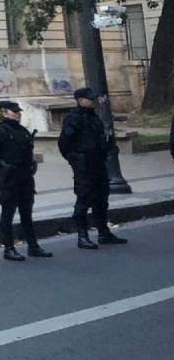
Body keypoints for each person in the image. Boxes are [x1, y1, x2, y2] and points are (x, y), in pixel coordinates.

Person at [59, 87, 127, 248]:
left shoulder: (94, 117)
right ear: (80, 100)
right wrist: (74, 160)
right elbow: (64, 143)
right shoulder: (73, 118)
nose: (93, 101)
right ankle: (82, 236)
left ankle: (103, 232)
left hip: (98, 163)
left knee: (101, 200)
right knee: (83, 200)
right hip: (84, 166)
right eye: (90, 99)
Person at [0, 101, 52, 261]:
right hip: (9, 178)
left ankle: (33, 246)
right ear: (4, 112)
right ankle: (9, 248)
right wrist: (0, 171)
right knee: (8, 213)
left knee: (26, 213)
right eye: (13, 111)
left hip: (25, 177)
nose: (17, 113)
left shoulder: (22, 131)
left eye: (18, 111)